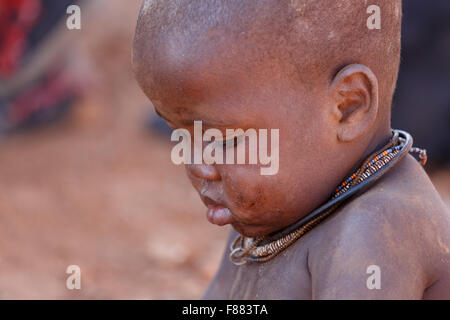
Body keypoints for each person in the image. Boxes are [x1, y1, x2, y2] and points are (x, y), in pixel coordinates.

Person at [133, 0, 450, 299]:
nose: (197, 165)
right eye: (182, 136)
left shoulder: (374, 229)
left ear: (348, 106)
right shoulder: (274, 211)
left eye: (224, 141)